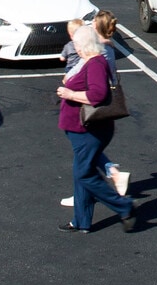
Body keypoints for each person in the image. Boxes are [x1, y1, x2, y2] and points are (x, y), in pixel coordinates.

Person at [56, 22, 139, 234]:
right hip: (82, 129)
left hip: (88, 130)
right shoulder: (89, 61)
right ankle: (81, 221)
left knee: (83, 174)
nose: (74, 47)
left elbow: (97, 95)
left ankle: (124, 206)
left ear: (83, 46)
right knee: (82, 173)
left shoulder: (94, 63)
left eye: (75, 43)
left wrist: (69, 94)